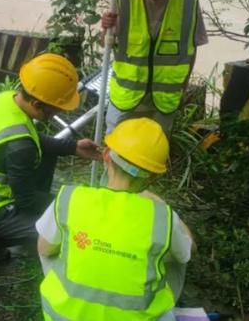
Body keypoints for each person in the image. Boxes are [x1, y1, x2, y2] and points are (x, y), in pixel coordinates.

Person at [0, 53, 102, 263]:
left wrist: (74, 147)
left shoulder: (5, 100)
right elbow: (27, 200)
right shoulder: (19, 148)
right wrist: (71, 203)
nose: (60, 110)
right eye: (57, 106)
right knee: (59, 232)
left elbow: (30, 138)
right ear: (38, 104)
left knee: (47, 156)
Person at [36, 118, 195, 321]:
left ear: (106, 156)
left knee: (49, 245)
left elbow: (44, 249)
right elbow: (188, 252)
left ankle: (70, 297)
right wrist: (161, 204)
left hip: (62, 316)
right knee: (178, 259)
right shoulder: (163, 217)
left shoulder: (70, 198)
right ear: (153, 178)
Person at [101, 0, 209, 137]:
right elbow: (106, 43)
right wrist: (106, 27)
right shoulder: (123, 0)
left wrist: (182, 90)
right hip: (126, 99)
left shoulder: (189, 3)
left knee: (153, 154)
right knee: (115, 151)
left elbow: (191, 51)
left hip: (164, 101)